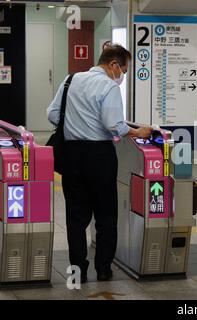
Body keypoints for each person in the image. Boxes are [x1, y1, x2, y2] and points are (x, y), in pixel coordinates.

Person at [47, 44, 152, 283]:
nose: (122, 76)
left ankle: (78, 270)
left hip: (71, 156)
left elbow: (53, 114)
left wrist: (78, 121)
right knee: (105, 214)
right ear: (113, 65)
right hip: (100, 156)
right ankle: (103, 268)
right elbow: (114, 125)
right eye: (123, 70)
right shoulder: (108, 86)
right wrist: (139, 131)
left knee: (76, 216)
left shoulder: (71, 79)